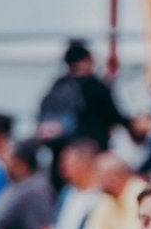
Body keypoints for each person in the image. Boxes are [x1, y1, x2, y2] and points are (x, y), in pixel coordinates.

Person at [37, 40, 139, 189]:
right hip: (90, 160)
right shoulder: (95, 87)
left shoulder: (56, 87)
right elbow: (114, 116)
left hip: (60, 164)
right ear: (86, 61)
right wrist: (135, 124)